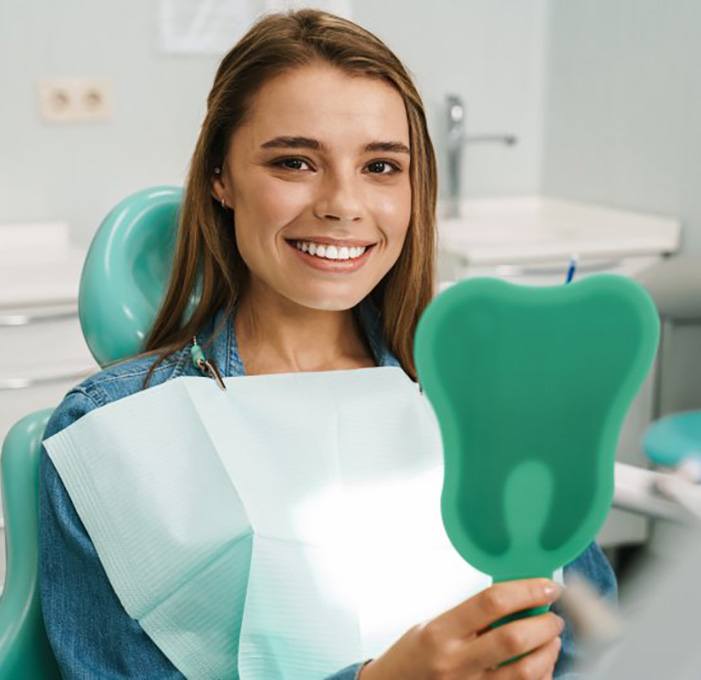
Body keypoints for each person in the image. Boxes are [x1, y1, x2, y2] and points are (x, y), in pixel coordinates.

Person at [39, 9, 615, 679]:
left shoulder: (486, 399)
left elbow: (596, 638)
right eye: (294, 161)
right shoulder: (111, 434)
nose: (343, 203)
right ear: (220, 176)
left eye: (379, 166)